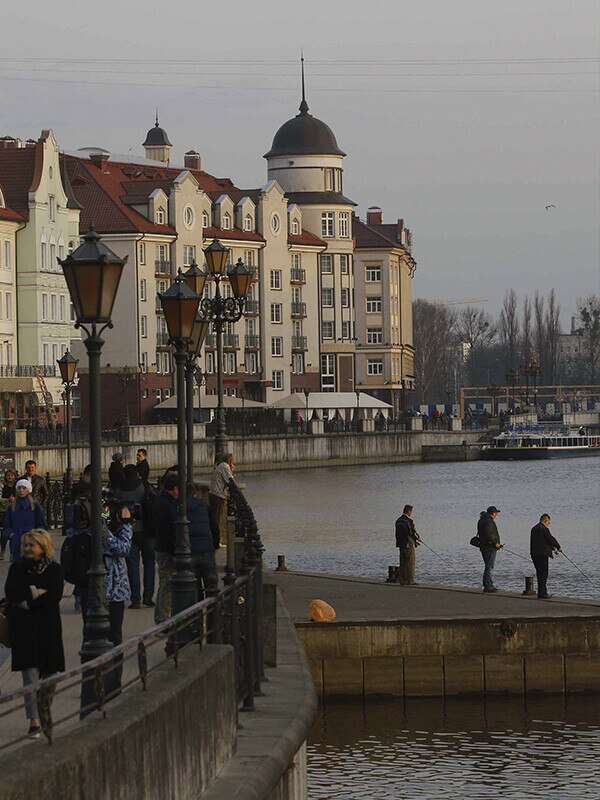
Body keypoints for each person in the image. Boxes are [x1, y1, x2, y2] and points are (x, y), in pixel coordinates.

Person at [4, 529, 65, 739]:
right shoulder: (17, 568)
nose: (28, 549)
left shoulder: (54, 570)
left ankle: (44, 708)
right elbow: (11, 593)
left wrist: (26, 602)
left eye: (32, 545)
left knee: (51, 673)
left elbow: (55, 596)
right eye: (26, 546)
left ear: (43, 547)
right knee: (29, 676)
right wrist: (35, 593)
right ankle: (34, 720)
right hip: (25, 629)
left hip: (48, 628)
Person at [113, 464, 155, 609]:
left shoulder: (119, 489)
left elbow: (113, 509)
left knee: (132, 566)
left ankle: (135, 599)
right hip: (147, 530)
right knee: (149, 563)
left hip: (128, 531)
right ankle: (148, 597)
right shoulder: (144, 487)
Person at [153, 473, 179, 624]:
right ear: (175, 489)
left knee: (165, 583)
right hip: (166, 550)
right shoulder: (167, 505)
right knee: (167, 584)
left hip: (161, 547)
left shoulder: (160, 500)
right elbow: (168, 530)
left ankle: (161, 617)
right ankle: (163, 619)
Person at [3, 479, 48, 563]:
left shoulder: (34, 506)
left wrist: (38, 536)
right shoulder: (12, 507)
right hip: (17, 541)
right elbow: (6, 525)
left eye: (24, 488)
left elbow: (42, 524)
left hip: (33, 541)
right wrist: (11, 535)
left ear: (28, 490)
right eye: (19, 488)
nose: (21, 490)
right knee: (18, 566)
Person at [187, 482, 219, 600]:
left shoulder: (180, 508)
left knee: (195, 590)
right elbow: (215, 528)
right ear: (195, 494)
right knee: (211, 585)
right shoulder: (205, 507)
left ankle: (197, 616)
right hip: (206, 550)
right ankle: (213, 615)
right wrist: (215, 546)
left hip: (189, 552)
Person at [530, 513, 561, 599]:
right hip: (542, 555)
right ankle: (542, 593)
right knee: (543, 574)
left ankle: (542, 593)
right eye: (549, 522)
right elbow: (550, 539)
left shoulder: (534, 528)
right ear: (546, 521)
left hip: (534, 554)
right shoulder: (544, 529)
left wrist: (552, 548)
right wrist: (559, 547)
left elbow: (542, 541)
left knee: (540, 573)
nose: (549, 524)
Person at [209, 453, 235, 546]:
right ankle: (217, 540)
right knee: (218, 518)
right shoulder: (224, 467)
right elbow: (230, 480)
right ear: (230, 461)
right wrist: (231, 469)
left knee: (216, 517)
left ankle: (217, 539)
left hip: (214, 494)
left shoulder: (221, 466)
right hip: (218, 495)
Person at [478, 506, 502, 593]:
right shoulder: (489, 522)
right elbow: (488, 535)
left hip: (483, 546)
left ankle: (489, 584)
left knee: (488, 566)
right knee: (489, 566)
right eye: (496, 513)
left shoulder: (481, 520)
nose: (497, 515)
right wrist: (495, 543)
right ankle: (488, 586)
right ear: (493, 513)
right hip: (490, 547)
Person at [395, 504, 420, 586]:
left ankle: (403, 580)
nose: (411, 513)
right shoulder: (409, 521)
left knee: (402, 563)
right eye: (411, 511)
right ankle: (410, 580)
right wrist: (416, 539)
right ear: (408, 511)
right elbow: (411, 532)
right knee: (410, 563)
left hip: (400, 544)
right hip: (408, 544)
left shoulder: (398, 521)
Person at [0, 468, 17, 560]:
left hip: (14, 512)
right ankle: (2, 549)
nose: (10, 477)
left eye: (11, 475)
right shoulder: (2, 485)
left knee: (13, 534)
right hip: (4, 511)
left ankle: (12, 553)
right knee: (4, 534)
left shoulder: (17, 486)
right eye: (8, 475)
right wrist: (7, 500)